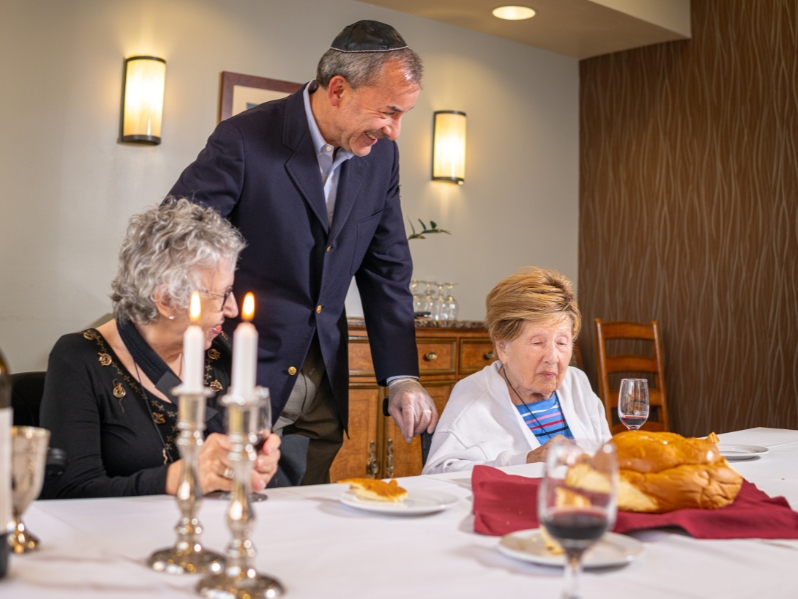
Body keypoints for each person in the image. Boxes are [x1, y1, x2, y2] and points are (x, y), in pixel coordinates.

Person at [168, 20, 437, 485]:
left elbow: (387, 270)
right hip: (241, 370)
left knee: (309, 518)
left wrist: (401, 376)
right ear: (338, 90)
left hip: (323, 382)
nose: (393, 131)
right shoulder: (245, 138)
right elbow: (177, 241)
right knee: (234, 503)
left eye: (403, 115)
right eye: (388, 112)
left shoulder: (382, 158)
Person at [39, 199, 281, 498]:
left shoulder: (220, 354)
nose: (231, 309)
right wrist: (175, 479)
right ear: (166, 300)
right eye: (223, 294)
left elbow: (238, 464)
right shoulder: (78, 358)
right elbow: (68, 493)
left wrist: (258, 467)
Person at [423, 267, 611, 474]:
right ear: (502, 347)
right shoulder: (473, 396)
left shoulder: (577, 383)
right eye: (538, 342)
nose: (552, 357)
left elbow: (606, 456)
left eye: (562, 342)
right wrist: (525, 460)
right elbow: (437, 473)